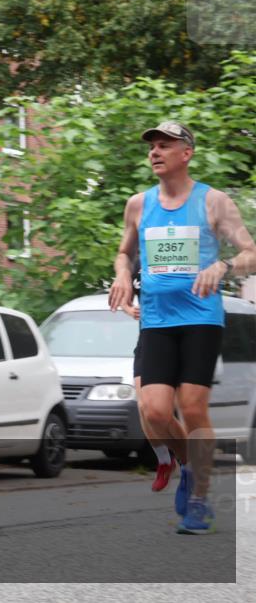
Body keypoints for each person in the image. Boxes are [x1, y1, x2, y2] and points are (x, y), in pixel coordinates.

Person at [108, 120, 255, 534]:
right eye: (152, 146)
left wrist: (222, 266)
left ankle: (199, 501)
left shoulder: (214, 202)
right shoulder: (139, 204)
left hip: (200, 320)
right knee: (155, 411)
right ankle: (189, 465)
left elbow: (251, 253)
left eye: (165, 145)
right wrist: (122, 275)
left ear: (186, 153)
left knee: (192, 408)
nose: (155, 152)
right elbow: (124, 253)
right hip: (156, 320)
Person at [120, 259, 180, 492]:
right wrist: (129, 309)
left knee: (162, 411)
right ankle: (164, 460)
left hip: (178, 339)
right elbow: (124, 298)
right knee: (144, 407)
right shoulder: (135, 263)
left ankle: (188, 460)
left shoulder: (175, 258)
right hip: (147, 341)